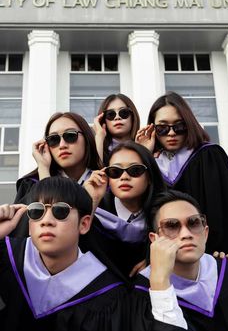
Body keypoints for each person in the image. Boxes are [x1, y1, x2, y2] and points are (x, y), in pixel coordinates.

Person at [0, 177, 188, 331]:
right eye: (37, 211)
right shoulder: (8, 259)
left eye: (60, 211)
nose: (46, 221)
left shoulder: (110, 297)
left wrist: (160, 280)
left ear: (84, 224)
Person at [136, 91, 228, 256]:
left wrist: (223, 253)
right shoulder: (152, 164)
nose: (171, 133)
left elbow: (227, 209)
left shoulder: (209, 155)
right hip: (165, 257)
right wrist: (144, 155)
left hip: (213, 255)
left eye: (179, 126)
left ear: (189, 124)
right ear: (152, 129)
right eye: (162, 128)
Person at [134, 190, 228, 331]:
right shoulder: (140, 295)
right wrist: (160, 283)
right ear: (154, 239)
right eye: (171, 225)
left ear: (205, 233)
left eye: (193, 223)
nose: (186, 234)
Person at [82, 141, 166, 280]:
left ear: (150, 177)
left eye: (135, 170)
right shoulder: (97, 211)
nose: (124, 177)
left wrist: (154, 260)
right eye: (115, 171)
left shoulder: (165, 211)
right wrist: (92, 201)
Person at [12, 112, 102, 237]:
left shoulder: (105, 186)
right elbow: (23, 236)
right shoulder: (30, 185)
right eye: (53, 139)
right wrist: (43, 170)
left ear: (87, 138)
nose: (62, 145)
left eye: (70, 136)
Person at [93, 93, 140, 164]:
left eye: (123, 112)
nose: (117, 117)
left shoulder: (145, 145)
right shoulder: (94, 147)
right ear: (103, 120)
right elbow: (94, 173)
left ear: (132, 117)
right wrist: (99, 137)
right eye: (110, 114)